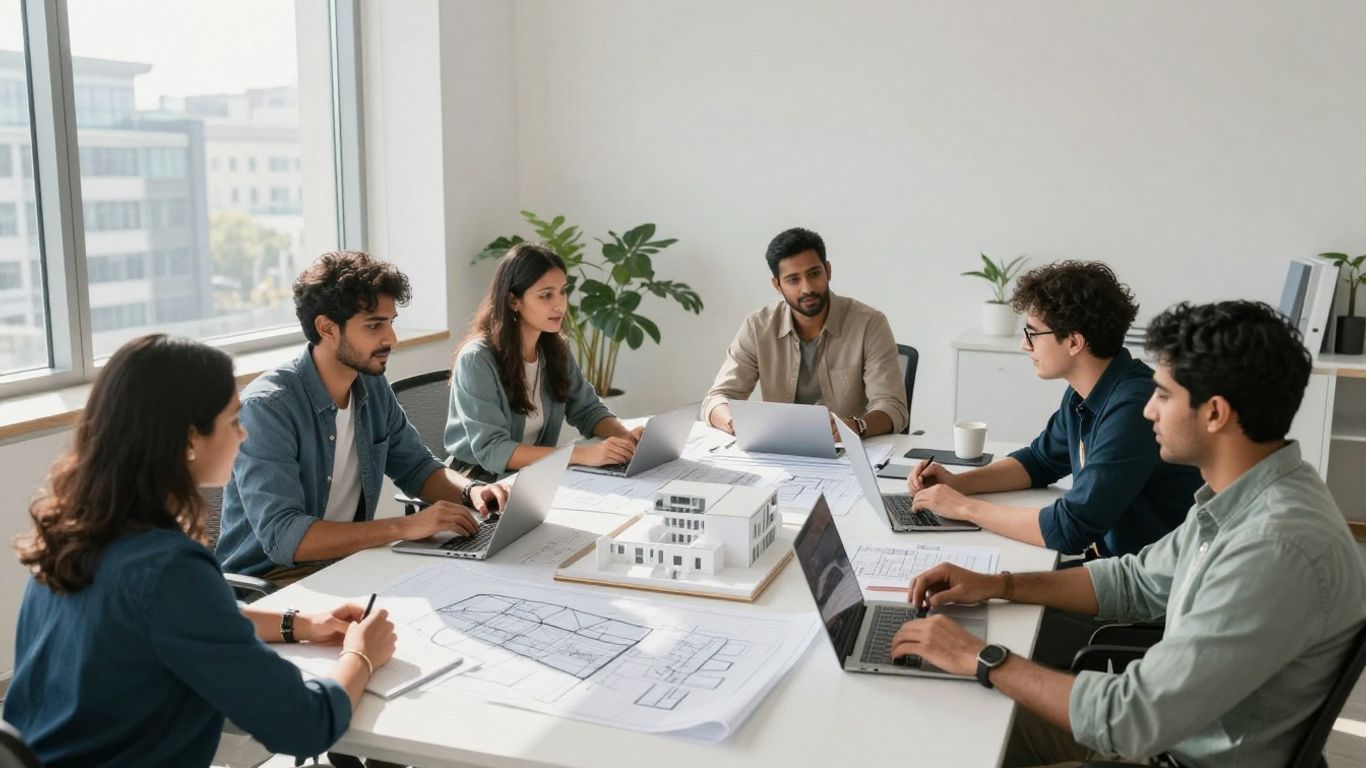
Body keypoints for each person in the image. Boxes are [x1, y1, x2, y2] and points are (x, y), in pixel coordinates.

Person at [892, 301, 1366, 768]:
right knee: (948, 722)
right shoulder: (1245, 498)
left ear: (1215, 414)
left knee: (955, 729)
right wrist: (998, 585)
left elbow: (1133, 718)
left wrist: (983, 657)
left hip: (1166, 753)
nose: (1149, 411)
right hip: (1158, 738)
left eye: (1163, 395)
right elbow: (1134, 581)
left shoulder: (1272, 547)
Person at [3, 335, 397, 767]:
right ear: (191, 439)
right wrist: (362, 654)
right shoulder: (169, 567)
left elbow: (175, 619)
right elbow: (304, 724)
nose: (244, 433)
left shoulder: (72, 534)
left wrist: (300, 623)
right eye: (233, 420)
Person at [216, 251, 508, 581]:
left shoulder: (370, 384)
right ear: (326, 328)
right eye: (374, 325)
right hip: (275, 579)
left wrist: (472, 492)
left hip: (349, 563)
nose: (391, 339)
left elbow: (417, 468)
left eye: (391, 322)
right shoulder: (268, 408)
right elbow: (285, 537)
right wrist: (405, 526)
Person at [911, 261, 1201, 557]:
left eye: (1032, 334)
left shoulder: (1135, 407)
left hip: (1141, 579)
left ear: (1074, 342)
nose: (1025, 345)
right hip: (1109, 565)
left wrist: (963, 508)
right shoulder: (1082, 394)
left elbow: (1069, 529)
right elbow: (1039, 462)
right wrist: (957, 484)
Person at [445, 243, 645, 479]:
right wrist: (580, 454)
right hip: (479, 482)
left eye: (563, 291)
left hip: (533, 476)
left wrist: (625, 437)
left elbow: (587, 410)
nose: (560, 304)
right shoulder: (476, 360)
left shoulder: (555, 348)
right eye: (546, 295)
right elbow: (494, 450)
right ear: (513, 301)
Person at [701, 227, 908, 438]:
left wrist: (856, 426)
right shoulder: (758, 327)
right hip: (780, 448)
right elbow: (717, 398)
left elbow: (892, 407)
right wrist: (733, 421)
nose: (807, 288)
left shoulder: (869, 323)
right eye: (793, 279)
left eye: (814, 274)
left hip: (850, 448)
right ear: (777, 285)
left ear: (828, 271)